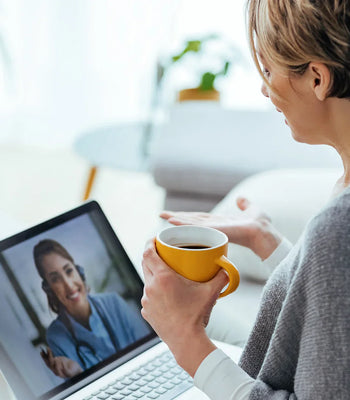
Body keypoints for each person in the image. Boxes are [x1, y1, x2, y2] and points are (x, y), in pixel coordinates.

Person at [141, 0, 350, 398]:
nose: (264, 87)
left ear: (318, 79)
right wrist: (267, 242)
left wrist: (186, 340)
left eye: (269, 70)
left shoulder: (340, 227)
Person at [34, 239, 149, 379]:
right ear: (49, 289)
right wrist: (78, 374)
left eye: (69, 271)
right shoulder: (56, 336)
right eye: (56, 279)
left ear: (79, 271)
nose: (69, 285)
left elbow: (149, 349)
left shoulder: (113, 303)